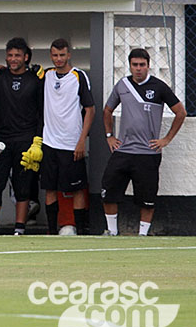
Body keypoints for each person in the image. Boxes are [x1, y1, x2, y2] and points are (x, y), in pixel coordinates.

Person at [102, 48, 185, 236]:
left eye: (142, 65)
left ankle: (143, 235)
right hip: (123, 150)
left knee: (147, 198)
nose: (138, 68)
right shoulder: (122, 85)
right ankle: (112, 232)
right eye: (135, 65)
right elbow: (107, 110)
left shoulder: (159, 87)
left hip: (148, 153)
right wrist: (110, 136)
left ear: (148, 66)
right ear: (130, 66)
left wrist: (166, 139)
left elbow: (180, 112)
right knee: (109, 190)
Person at [0, 37, 44, 236]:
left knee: (23, 187)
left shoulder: (36, 79)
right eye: (10, 55)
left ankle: (19, 229)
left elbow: (41, 113)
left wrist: (38, 141)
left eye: (17, 55)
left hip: (26, 140)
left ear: (26, 57)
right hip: (1, 140)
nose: (13, 59)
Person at [41, 39, 95, 235]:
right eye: (55, 55)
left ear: (69, 55)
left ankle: (80, 230)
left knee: (77, 188)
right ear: (50, 55)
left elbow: (90, 110)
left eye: (62, 55)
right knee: (50, 188)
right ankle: (51, 231)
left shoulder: (78, 76)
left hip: (72, 143)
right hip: (49, 142)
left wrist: (82, 140)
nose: (58, 59)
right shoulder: (46, 75)